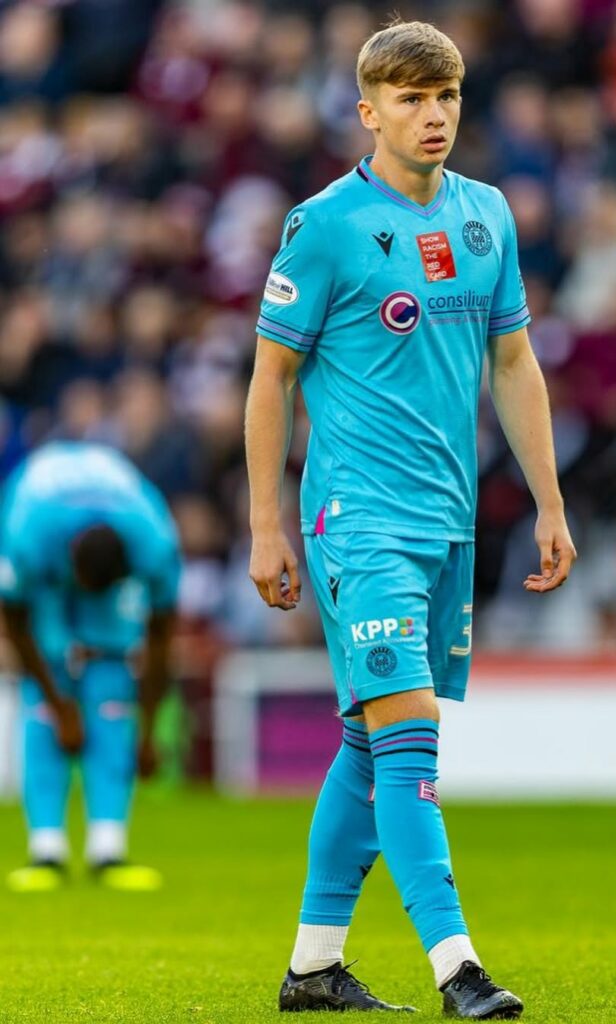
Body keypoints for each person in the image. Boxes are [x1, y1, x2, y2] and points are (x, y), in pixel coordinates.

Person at [245, 20, 576, 1019]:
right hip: (356, 519)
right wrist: (265, 522)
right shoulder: (325, 225)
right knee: (410, 730)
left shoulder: (486, 216)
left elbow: (512, 364)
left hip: (448, 522)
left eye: (445, 98)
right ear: (367, 111)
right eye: (407, 99)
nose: (431, 116)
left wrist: (550, 502)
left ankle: (311, 969)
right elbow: (269, 378)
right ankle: (456, 965)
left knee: (367, 738)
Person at [0, 442, 180, 893]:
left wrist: (149, 730)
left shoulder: (154, 543)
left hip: (110, 512)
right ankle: (47, 851)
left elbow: (160, 637)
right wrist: (59, 707)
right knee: (45, 694)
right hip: (41, 511)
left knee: (109, 682)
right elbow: (17, 623)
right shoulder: (29, 533)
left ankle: (108, 849)